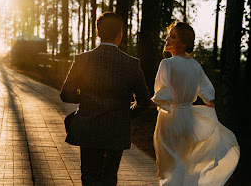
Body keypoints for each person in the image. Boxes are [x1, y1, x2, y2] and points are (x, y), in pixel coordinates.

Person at [60, 12, 151, 185]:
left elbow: (66, 94)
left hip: (88, 127)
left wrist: (87, 99)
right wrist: (126, 114)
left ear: (98, 33)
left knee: (89, 176)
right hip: (116, 130)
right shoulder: (131, 64)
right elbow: (144, 101)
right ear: (120, 34)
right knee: (110, 177)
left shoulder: (82, 59)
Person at [152, 21, 240, 186]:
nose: (167, 39)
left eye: (173, 37)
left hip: (170, 118)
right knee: (185, 163)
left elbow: (164, 94)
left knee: (169, 166)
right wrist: (209, 115)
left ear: (183, 43)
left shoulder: (167, 64)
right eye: (168, 36)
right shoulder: (195, 65)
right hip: (189, 119)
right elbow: (208, 94)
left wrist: (142, 103)